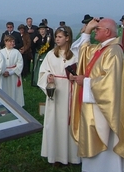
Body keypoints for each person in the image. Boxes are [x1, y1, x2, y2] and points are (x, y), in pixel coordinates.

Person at [70, 18, 124, 171]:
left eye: (98, 29)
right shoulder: (102, 48)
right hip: (93, 105)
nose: (96, 30)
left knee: (107, 148)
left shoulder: (114, 51)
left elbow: (109, 84)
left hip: (104, 111)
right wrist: (87, 32)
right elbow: (84, 52)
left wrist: (86, 82)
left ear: (107, 32)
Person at [37, 26, 80, 166]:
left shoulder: (75, 55)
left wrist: (76, 77)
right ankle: (55, 155)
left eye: (60, 36)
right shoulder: (51, 54)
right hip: (55, 93)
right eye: (56, 36)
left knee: (69, 121)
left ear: (67, 38)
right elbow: (42, 72)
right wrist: (48, 77)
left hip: (70, 91)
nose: (57, 39)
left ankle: (72, 156)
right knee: (54, 122)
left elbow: (82, 72)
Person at [1, 35, 24, 106]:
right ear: (5, 42)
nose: (12, 43)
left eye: (13, 41)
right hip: (3, 74)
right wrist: (2, 72)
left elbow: (20, 65)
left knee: (14, 90)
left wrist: (10, 72)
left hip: (13, 75)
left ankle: (16, 105)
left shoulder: (16, 52)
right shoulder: (1, 52)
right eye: (10, 41)